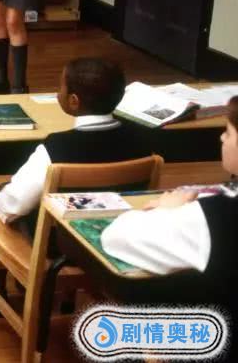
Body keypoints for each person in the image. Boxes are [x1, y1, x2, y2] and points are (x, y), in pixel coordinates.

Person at [101, 95, 238, 328]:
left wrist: (166, 209)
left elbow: (115, 237)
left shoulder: (212, 217)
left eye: (229, 132)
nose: (221, 137)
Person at [0, 58, 145, 235]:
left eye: (60, 87)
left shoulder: (57, 147)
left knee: (4, 200)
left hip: (66, 242)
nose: (58, 93)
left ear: (73, 101)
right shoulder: (140, 140)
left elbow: (15, 205)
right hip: (122, 235)